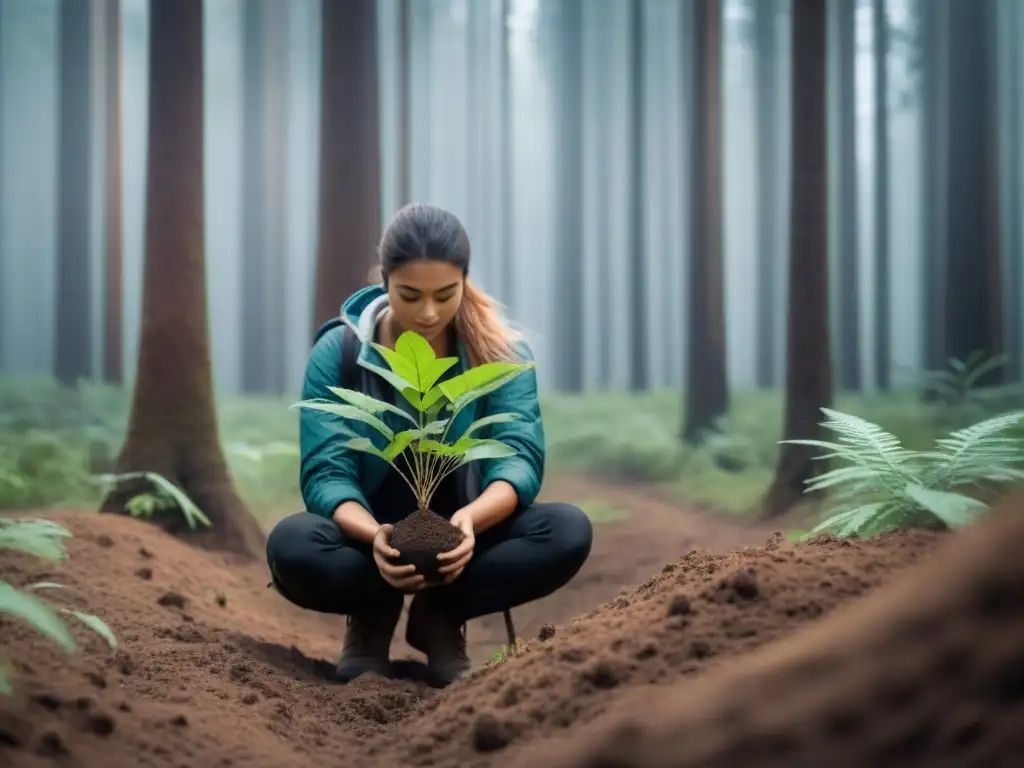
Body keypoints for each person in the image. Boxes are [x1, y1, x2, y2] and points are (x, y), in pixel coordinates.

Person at [265, 203, 594, 688]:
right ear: (383, 280)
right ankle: (372, 613)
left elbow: (518, 454)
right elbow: (325, 472)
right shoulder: (340, 353)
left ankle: (440, 616)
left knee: (566, 530)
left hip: (468, 534)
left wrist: (470, 522)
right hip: (368, 545)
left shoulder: (500, 352)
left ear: (465, 280)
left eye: (446, 294)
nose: (429, 313)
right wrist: (374, 536)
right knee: (292, 547)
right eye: (410, 295)